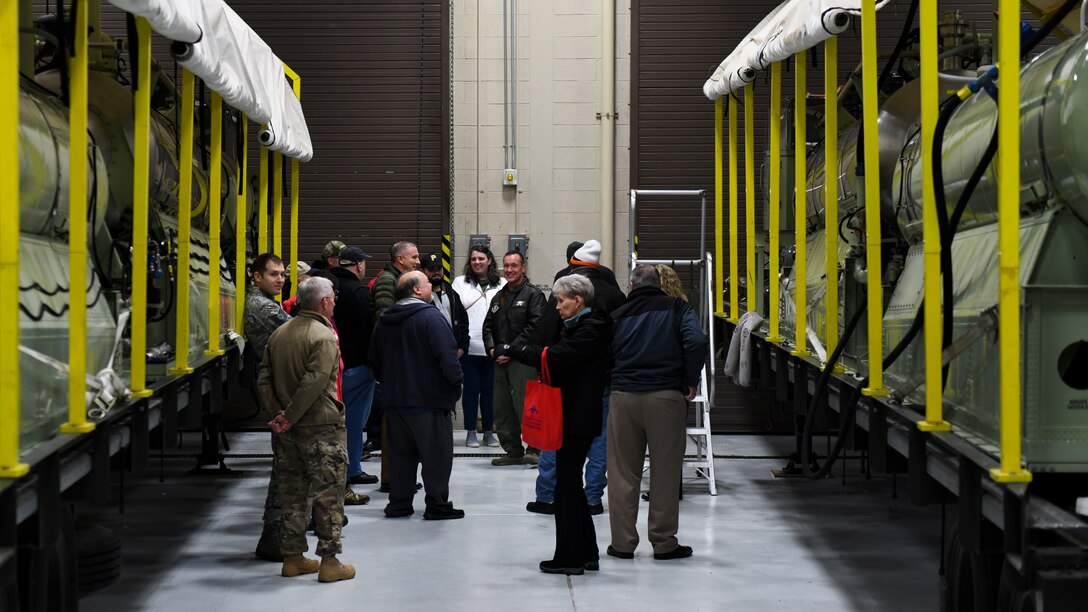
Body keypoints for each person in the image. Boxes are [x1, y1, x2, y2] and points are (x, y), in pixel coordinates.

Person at [497, 274, 613, 575]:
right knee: (570, 484)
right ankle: (587, 553)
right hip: (573, 414)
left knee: (566, 488)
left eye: (561, 301)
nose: (557, 307)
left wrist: (516, 349)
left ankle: (569, 558)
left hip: (578, 417)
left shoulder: (592, 329)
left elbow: (558, 357)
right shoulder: (579, 326)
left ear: (578, 301)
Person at [606, 264, 707, 562]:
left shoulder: (616, 315)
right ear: (659, 284)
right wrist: (690, 380)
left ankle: (622, 544)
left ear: (631, 285)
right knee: (665, 471)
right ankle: (663, 543)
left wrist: (615, 379)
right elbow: (697, 340)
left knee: (622, 473)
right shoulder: (677, 308)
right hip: (665, 397)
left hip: (623, 397)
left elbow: (603, 352)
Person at [257, 276, 355, 583]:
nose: (335, 303)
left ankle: (293, 558)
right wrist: (291, 415)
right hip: (321, 428)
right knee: (328, 495)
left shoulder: (280, 334)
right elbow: (315, 382)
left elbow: (264, 377)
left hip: (287, 433)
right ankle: (330, 561)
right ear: (324, 302)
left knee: (293, 494)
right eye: (333, 298)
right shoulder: (324, 337)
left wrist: (279, 414)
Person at [529, 240, 625, 516]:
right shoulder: (615, 293)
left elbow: (548, 331)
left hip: (564, 376)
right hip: (601, 378)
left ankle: (547, 496)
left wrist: (543, 364)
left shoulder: (565, 289)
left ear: (574, 263)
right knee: (599, 440)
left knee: (554, 435)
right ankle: (592, 498)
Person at [368, 271, 465, 520]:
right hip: (429, 401)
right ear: (416, 290)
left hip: (395, 403)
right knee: (436, 457)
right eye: (427, 283)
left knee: (400, 457)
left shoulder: (384, 321)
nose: (431, 285)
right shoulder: (431, 317)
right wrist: (455, 385)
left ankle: (399, 504)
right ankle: (437, 505)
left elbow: (374, 362)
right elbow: (448, 357)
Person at [245, 253, 292, 562]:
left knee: (289, 461)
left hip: (279, 384)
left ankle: (287, 526)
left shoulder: (267, 302)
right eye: (273, 274)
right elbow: (300, 331)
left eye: (282, 274)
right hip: (279, 389)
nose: (280, 279)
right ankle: (272, 534)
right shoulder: (263, 307)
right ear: (257, 276)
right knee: (284, 463)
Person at [482, 251, 547, 466]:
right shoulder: (499, 296)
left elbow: (536, 327)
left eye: (514, 266)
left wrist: (511, 350)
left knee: (527, 406)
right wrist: (492, 349)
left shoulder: (533, 295)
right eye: (506, 266)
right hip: (500, 360)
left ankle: (534, 450)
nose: (509, 270)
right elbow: (488, 326)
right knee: (502, 407)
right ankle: (513, 451)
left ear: (523, 268)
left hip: (523, 361)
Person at [370, 240, 421, 493]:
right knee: (392, 423)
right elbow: (384, 317)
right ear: (400, 259)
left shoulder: (399, 279)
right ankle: (391, 478)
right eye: (414, 257)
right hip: (394, 361)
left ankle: (399, 476)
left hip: (400, 359)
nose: (418, 261)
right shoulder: (387, 281)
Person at [330, 247, 379, 488]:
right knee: (354, 422)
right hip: (357, 366)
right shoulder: (359, 292)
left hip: (333, 367)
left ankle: (338, 470)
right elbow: (368, 330)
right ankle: (352, 471)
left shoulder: (330, 287)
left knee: (334, 422)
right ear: (359, 265)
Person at [451, 245, 505, 447]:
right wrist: (458, 344)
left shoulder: (502, 284)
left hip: (493, 348)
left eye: (481, 258)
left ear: (489, 261)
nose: (477, 262)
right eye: (473, 259)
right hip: (469, 347)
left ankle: (489, 431)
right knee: (471, 390)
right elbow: (455, 314)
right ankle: (471, 431)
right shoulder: (459, 283)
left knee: (490, 392)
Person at [421, 253, 470, 356]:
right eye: (432, 269)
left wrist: (462, 346)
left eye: (439, 269)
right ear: (423, 271)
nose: (436, 273)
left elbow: (463, 320)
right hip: (430, 353)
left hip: (453, 351)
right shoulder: (420, 295)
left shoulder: (451, 292)